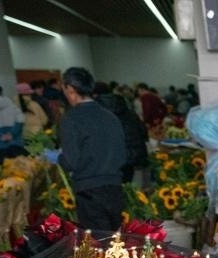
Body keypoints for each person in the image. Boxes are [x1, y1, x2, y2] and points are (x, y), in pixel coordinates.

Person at [57, 67, 126, 232]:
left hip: (89, 190)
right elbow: (123, 154)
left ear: (70, 89)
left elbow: (71, 162)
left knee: (98, 241)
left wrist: (58, 158)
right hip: (115, 187)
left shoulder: (71, 119)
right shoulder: (110, 116)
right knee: (115, 240)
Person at [94, 82, 149, 184]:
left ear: (94, 95)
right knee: (127, 187)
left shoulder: (95, 115)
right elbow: (143, 132)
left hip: (107, 162)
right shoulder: (129, 112)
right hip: (130, 159)